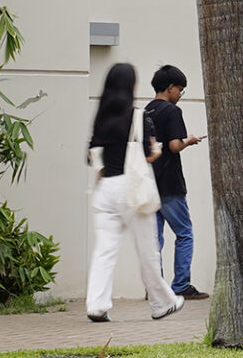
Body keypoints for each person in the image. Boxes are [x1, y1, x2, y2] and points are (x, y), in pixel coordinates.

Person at [84, 63, 185, 323]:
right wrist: (156, 152)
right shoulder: (138, 116)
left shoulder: (101, 118)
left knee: (104, 251)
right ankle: (162, 303)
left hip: (104, 188)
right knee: (148, 250)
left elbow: (92, 156)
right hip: (132, 190)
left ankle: (96, 304)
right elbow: (149, 155)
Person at [143, 65, 207, 301]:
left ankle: (155, 288)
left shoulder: (146, 111)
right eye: (180, 89)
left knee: (154, 239)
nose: (180, 94)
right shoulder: (172, 111)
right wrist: (188, 141)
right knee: (184, 233)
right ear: (170, 88)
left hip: (150, 183)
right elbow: (173, 146)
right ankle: (180, 285)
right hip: (170, 183)